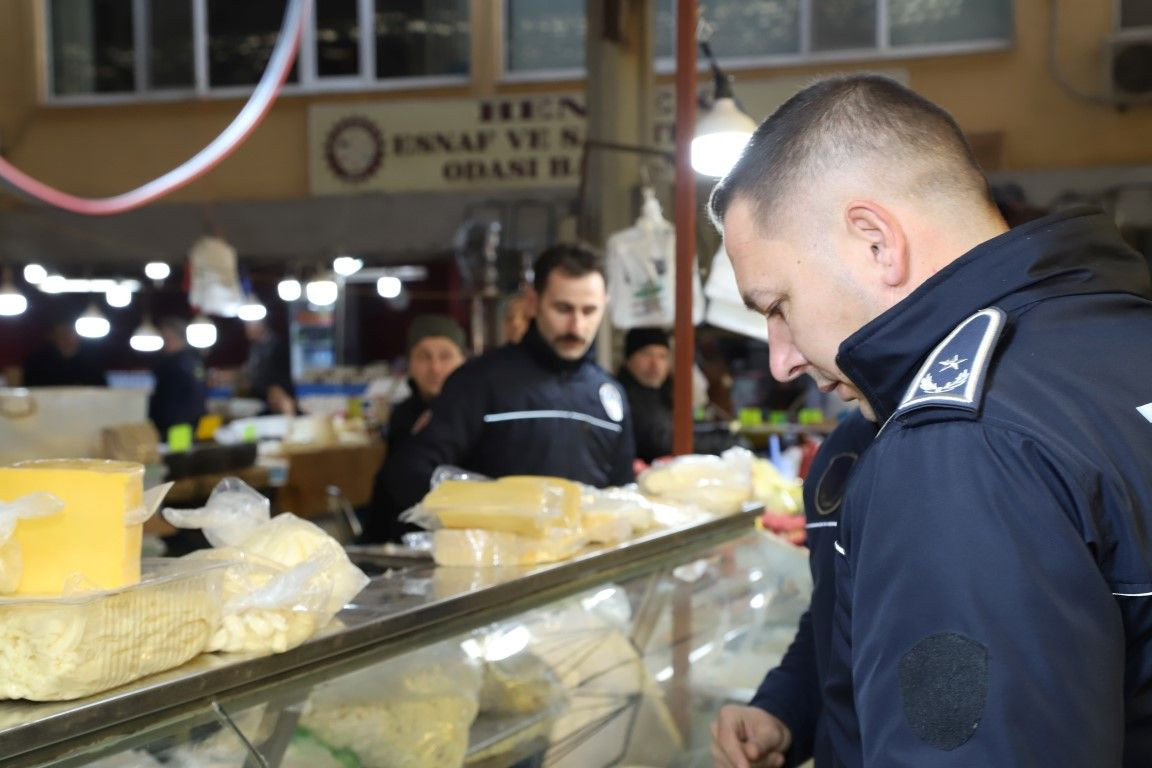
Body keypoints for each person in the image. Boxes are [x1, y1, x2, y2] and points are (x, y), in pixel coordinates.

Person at [708, 73, 1152, 766]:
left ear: (876, 242)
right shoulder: (1114, 339)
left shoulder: (959, 444)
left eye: (778, 306)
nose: (781, 360)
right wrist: (791, 703)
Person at [389, 243, 635, 512]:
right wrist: (486, 514)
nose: (576, 326)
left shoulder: (610, 395)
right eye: (563, 309)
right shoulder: (479, 382)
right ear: (532, 301)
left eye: (589, 311)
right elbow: (412, 472)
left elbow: (622, 496)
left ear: (605, 306)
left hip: (589, 540)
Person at [712, 409, 876, 768]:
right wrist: (779, 711)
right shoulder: (844, 447)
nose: (783, 376)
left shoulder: (987, 439)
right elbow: (834, 621)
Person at [363, 314, 467, 543]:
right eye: (424, 356)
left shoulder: (475, 414)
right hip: (402, 540)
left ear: (463, 360)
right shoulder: (402, 416)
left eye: (445, 356)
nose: (435, 368)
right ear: (410, 363)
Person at [617, 327, 674, 463]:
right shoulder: (620, 396)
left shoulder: (667, 393)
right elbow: (658, 442)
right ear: (628, 358)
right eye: (646, 354)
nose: (655, 364)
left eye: (662, 356)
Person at [148, 317, 208, 437]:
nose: (164, 343)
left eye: (166, 338)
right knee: (185, 448)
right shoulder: (195, 359)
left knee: (176, 449)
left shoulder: (174, 363)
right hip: (192, 421)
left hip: (176, 424)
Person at [21, 319, 106, 387]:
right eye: (60, 334)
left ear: (78, 336)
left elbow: (101, 389)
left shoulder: (92, 359)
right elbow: (31, 389)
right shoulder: (37, 361)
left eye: (69, 333)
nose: (66, 338)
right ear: (52, 337)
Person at [242, 317, 296, 415]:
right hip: (262, 397)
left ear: (260, 326)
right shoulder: (255, 347)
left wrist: (278, 396)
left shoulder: (277, 345)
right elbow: (250, 370)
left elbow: (276, 375)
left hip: (278, 395)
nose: (246, 330)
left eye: (249, 327)